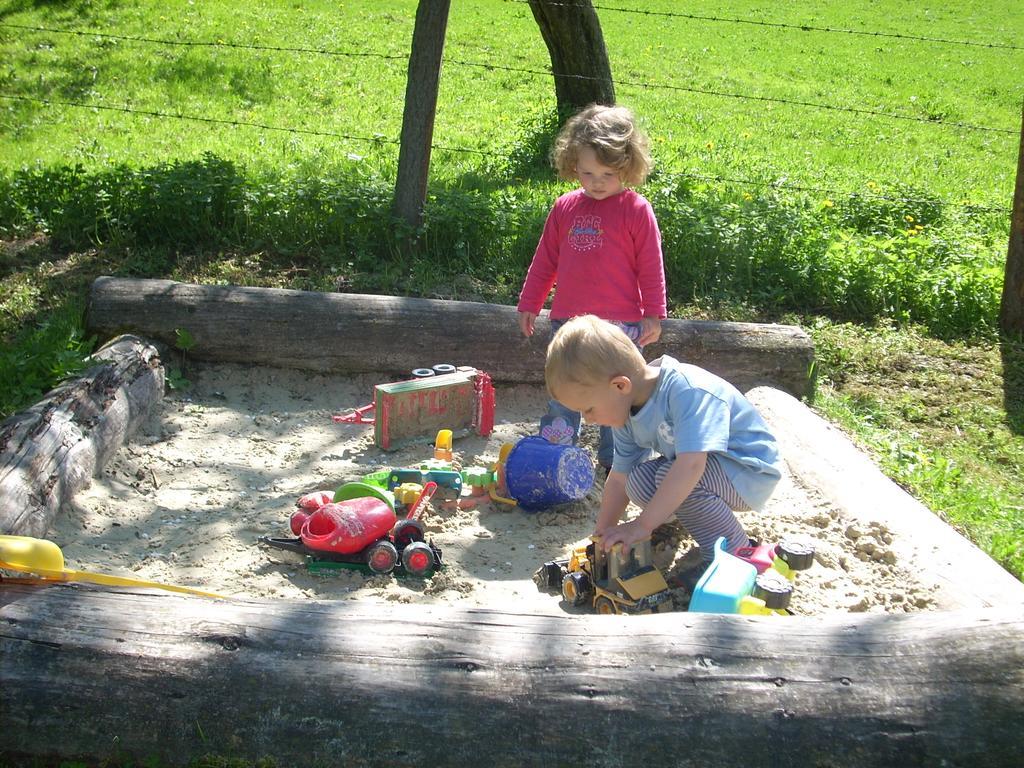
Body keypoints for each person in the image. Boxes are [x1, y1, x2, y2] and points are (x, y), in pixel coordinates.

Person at [544, 315, 783, 587]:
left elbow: (691, 466)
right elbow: (620, 478)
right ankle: (678, 520)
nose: (588, 419)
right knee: (638, 482)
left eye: (589, 409)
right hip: (711, 473)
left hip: (749, 471)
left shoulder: (686, 390)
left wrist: (642, 525)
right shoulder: (625, 410)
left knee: (670, 476)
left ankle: (737, 553)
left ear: (620, 385)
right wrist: (602, 535)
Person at [516, 103, 666, 473]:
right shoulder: (566, 207)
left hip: (621, 326)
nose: (596, 182)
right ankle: (557, 449)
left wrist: (653, 313)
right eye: (587, 172)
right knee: (566, 388)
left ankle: (620, 459)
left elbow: (650, 265)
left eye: (607, 173)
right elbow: (545, 260)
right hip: (567, 321)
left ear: (628, 167)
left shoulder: (635, 209)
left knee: (620, 391)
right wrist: (530, 301)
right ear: (572, 165)